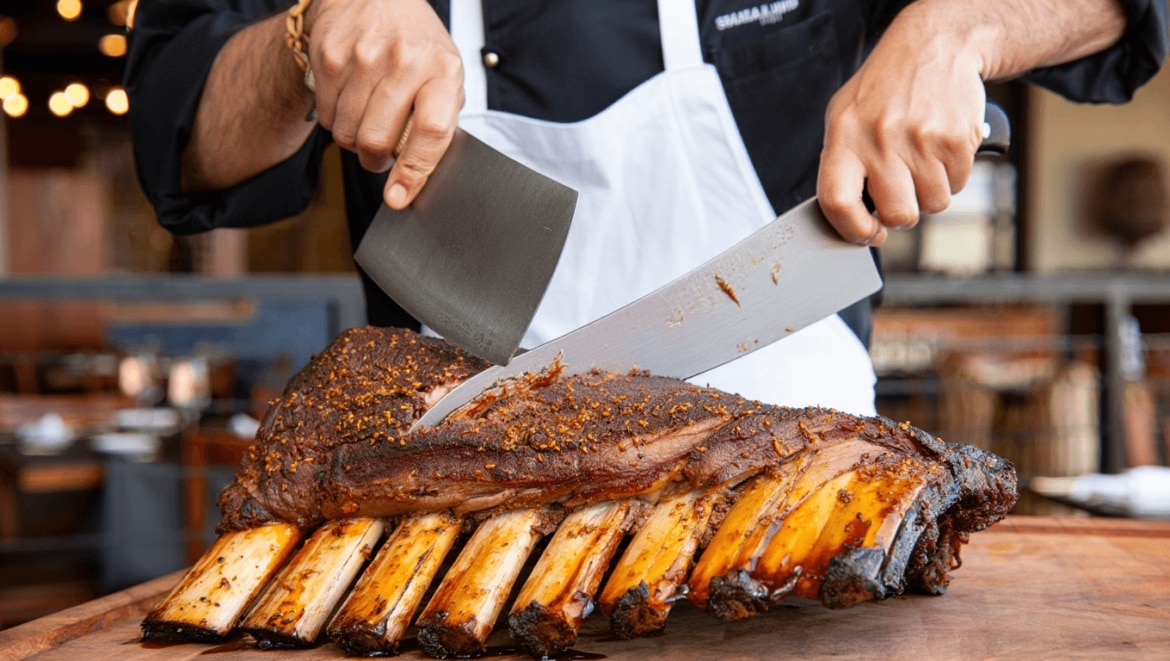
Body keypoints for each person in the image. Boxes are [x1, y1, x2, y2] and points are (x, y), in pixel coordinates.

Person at [125, 0, 1168, 415]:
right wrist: (308, 36)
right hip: (455, 512)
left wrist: (958, 32)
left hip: (811, 500)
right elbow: (182, 132)